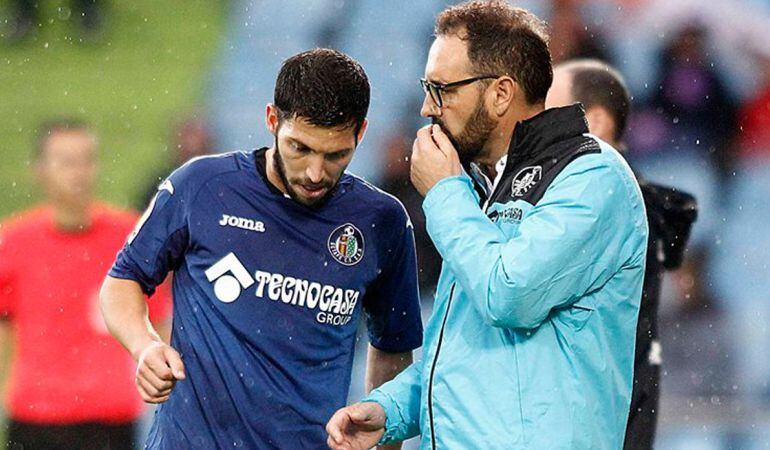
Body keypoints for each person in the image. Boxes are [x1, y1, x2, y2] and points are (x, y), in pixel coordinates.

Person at [326, 2, 648, 449]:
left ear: (500, 93)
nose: (425, 108)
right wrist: (391, 410)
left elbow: (510, 296)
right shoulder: (481, 186)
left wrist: (442, 193)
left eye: (442, 89)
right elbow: (465, 350)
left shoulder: (592, 176)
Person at [100, 48, 423, 449]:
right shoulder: (201, 186)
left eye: (336, 154)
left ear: (361, 132)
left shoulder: (381, 221)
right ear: (273, 120)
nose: (314, 173)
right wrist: (144, 345)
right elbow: (122, 280)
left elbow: (392, 349)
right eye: (299, 148)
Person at [545, 58, 697, 450]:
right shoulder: (636, 200)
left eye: (548, 108)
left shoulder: (613, 202)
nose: (532, 122)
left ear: (594, 123)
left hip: (591, 424)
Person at [0, 120, 171, 449]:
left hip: (108, 420)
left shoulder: (129, 238)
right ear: (40, 170)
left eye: (86, 160)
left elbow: (159, 324)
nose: (78, 173)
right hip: (36, 419)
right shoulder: (15, 242)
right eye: (66, 162)